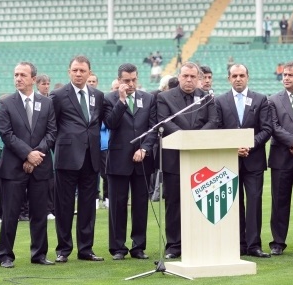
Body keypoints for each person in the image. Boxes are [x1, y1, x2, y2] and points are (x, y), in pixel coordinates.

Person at [0, 62, 57, 268]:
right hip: (13, 167)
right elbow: (6, 134)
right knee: (10, 214)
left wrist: (36, 155)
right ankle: (5, 255)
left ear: (33, 79)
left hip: (40, 166)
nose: (18, 78)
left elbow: (52, 132)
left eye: (23, 75)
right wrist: (28, 154)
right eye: (16, 74)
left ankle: (39, 254)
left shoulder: (46, 103)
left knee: (39, 213)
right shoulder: (6, 103)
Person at [156, 62, 218, 258]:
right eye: (185, 76)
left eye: (193, 76)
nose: (189, 80)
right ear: (179, 77)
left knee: (201, 202)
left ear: (198, 78)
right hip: (174, 159)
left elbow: (213, 121)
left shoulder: (207, 97)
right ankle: (174, 246)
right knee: (174, 203)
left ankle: (198, 242)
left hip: (200, 158)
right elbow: (165, 121)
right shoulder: (165, 97)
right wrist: (186, 138)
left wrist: (196, 138)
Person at [50, 55, 106, 263]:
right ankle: (63, 249)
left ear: (89, 73)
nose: (78, 74)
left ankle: (86, 249)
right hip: (67, 158)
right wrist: (61, 146)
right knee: (64, 205)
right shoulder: (58, 95)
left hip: (91, 157)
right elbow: (52, 126)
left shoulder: (98, 95)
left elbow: (98, 122)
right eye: (75, 70)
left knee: (88, 206)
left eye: (82, 70)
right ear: (69, 72)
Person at [215, 64, 272, 257]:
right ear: (228, 78)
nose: (238, 79)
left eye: (241, 75)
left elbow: (266, 129)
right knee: (233, 204)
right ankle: (237, 244)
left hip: (253, 160)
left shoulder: (260, 99)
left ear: (248, 77)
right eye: (234, 76)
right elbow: (217, 129)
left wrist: (249, 145)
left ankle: (254, 245)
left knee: (254, 202)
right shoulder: (220, 101)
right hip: (229, 160)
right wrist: (233, 148)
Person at [103, 63, 157, 261]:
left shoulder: (148, 98)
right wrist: (122, 100)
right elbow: (110, 123)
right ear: (119, 80)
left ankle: (138, 246)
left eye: (134, 79)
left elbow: (153, 128)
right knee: (117, 205)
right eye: (127, 80)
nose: (131, 84)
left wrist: (145, 149)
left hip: (142, 159)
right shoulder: (109, 99)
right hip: (118, 159)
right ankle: (117, 247)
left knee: (141, 204)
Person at [267, 62, 293, 256]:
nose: (286, 78)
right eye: (284, 75)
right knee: (279, 202)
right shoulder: (273, 100)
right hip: (281, 159)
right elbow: (273, 127)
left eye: (291, 75)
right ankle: (278, 242)